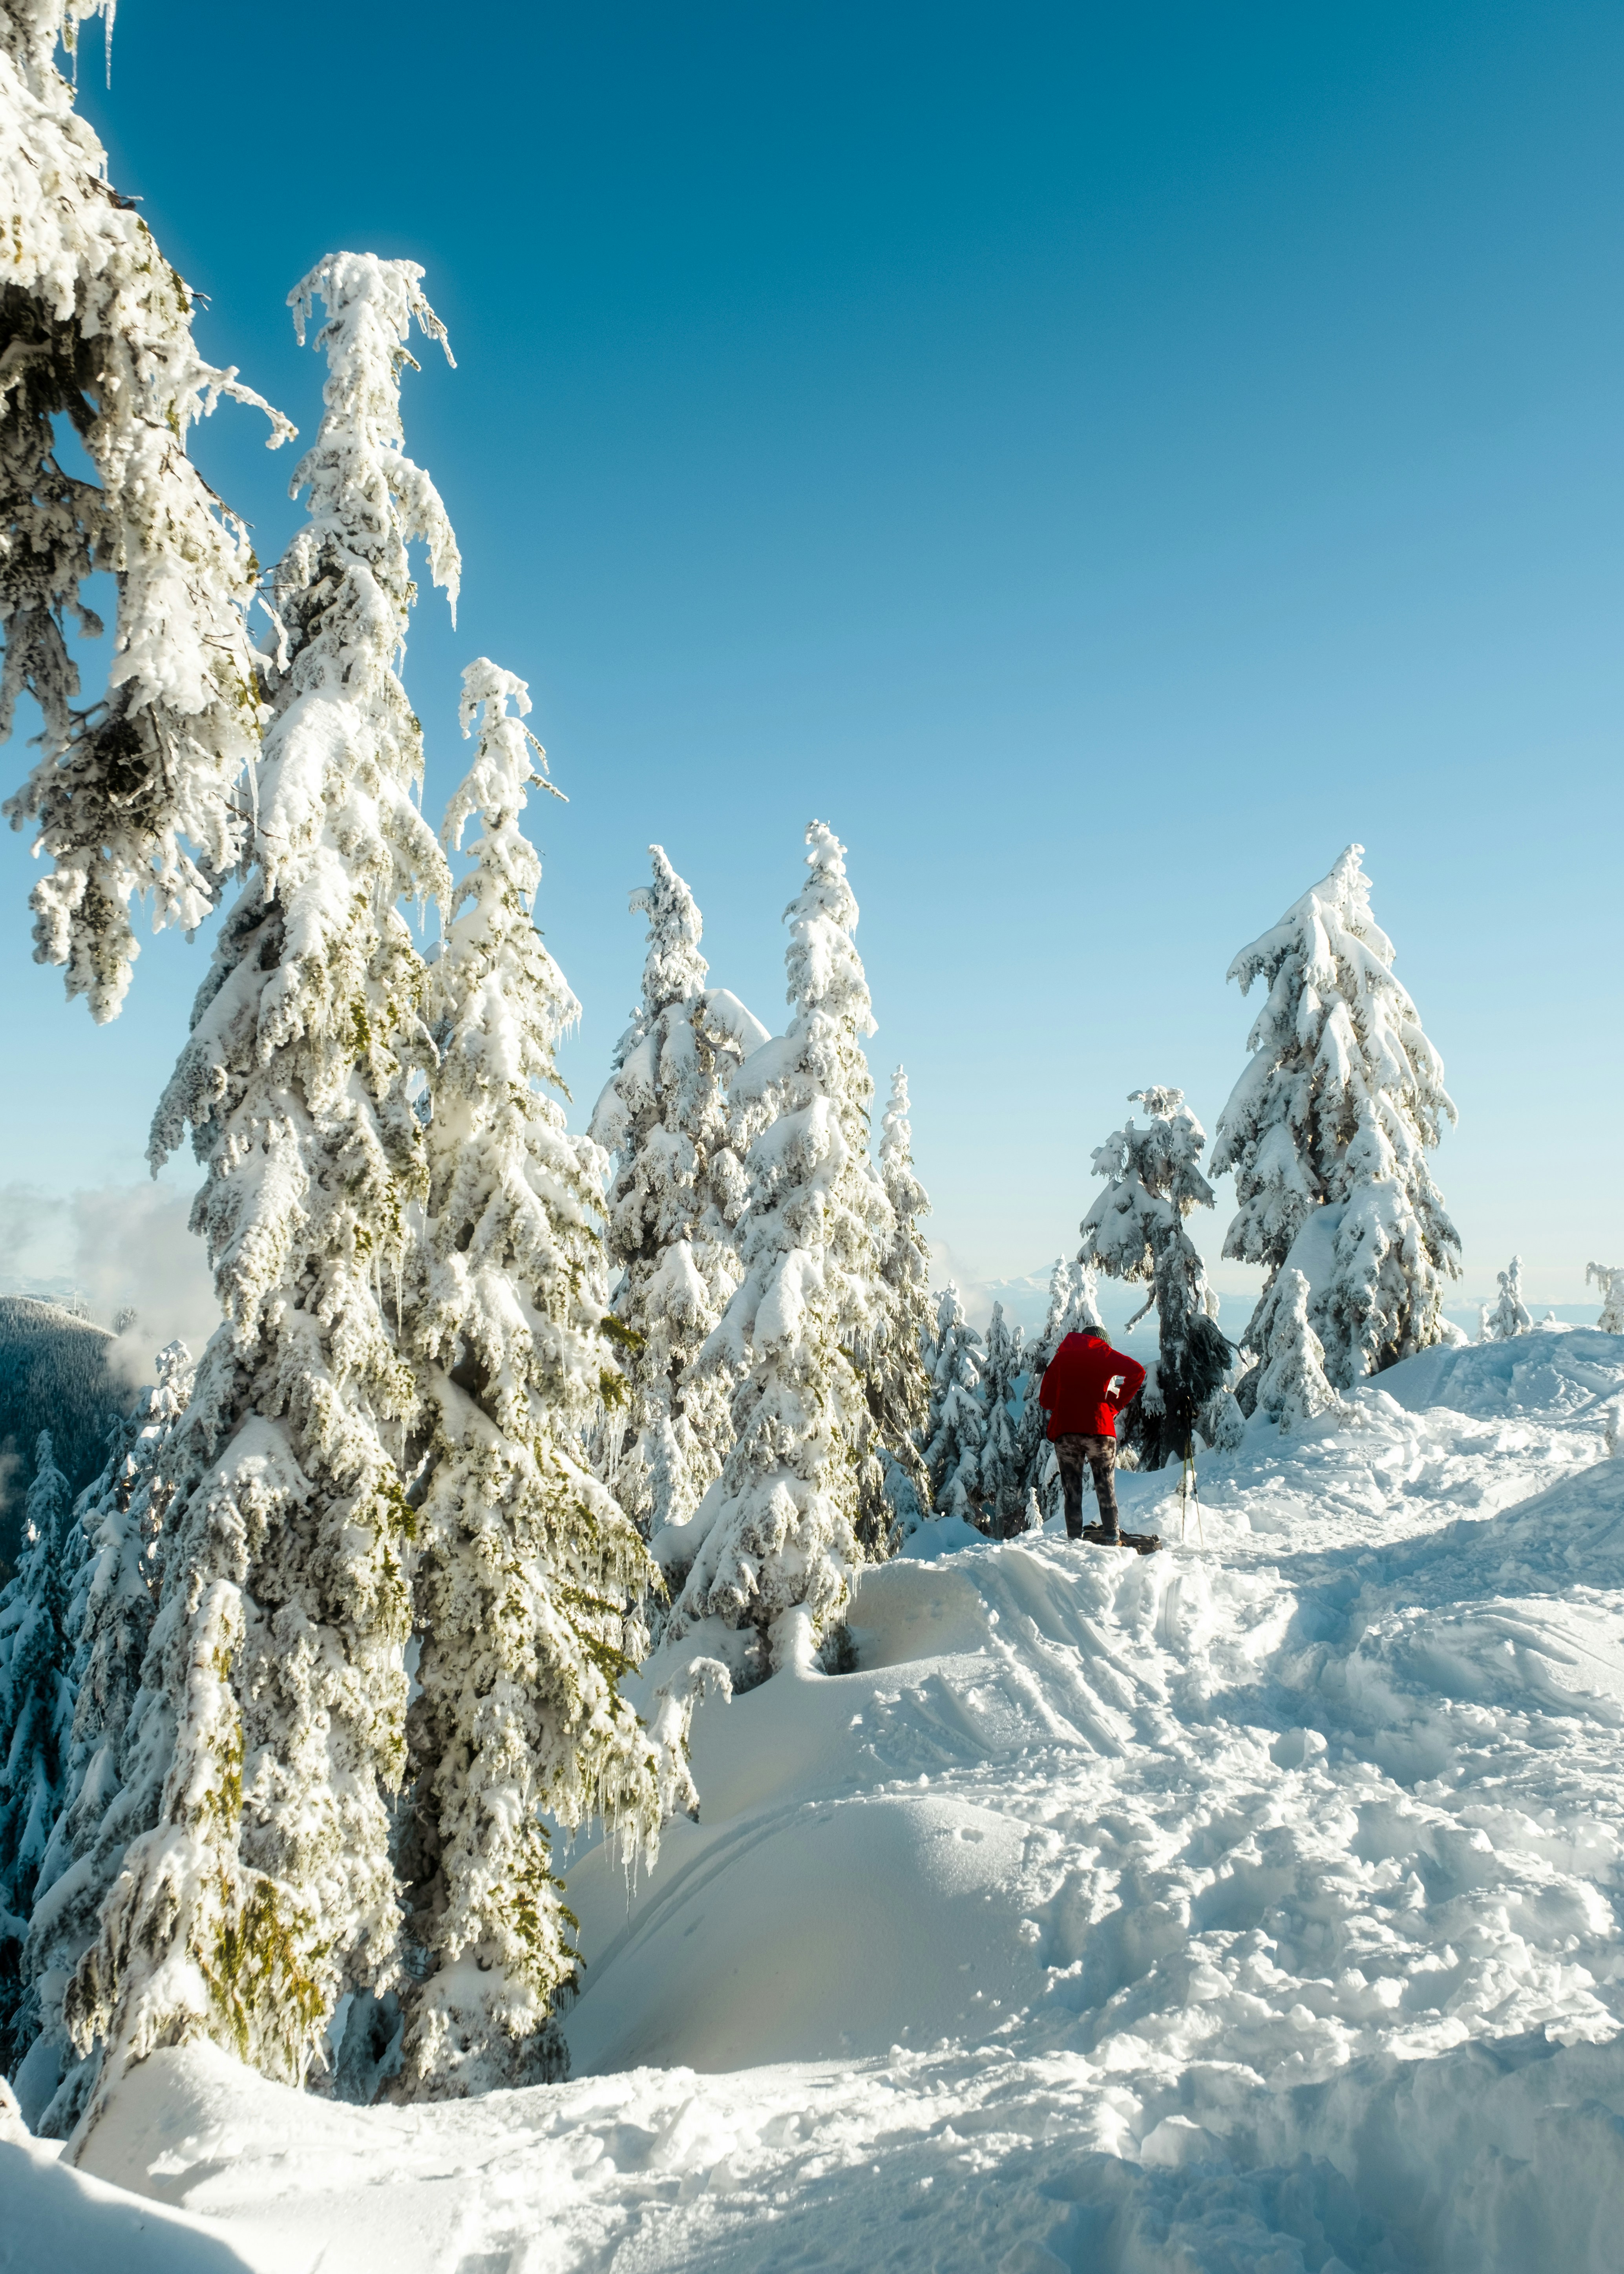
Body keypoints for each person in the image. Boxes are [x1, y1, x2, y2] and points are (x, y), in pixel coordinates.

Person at [1037, 1323, 1146, 1545]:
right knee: (1106, 1488)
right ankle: (1111, 1538)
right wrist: (1113, 1405)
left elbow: (1046, 1401)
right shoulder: (1104, 1353)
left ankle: (1074, 1542)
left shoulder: (1061, 1359)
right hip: (1100, 1429)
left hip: (1066, 1434)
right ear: (1101, 1341)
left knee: (1072, 1492)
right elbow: (1138, 1372)